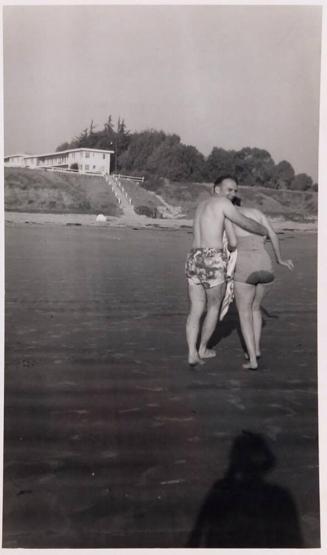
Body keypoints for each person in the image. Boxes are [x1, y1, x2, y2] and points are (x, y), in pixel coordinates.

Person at [185, 176, 268, 366]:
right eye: (229, 189)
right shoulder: (223, 204)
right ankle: (202, 349)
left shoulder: (201, 206)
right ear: (216, 189)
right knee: (214, 307)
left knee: (196, 308)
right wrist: (264, 230)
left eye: (235, 191)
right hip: (212, 258)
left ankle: (191, 352)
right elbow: (242, 225)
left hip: (193, 257)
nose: (233, 194)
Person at [228, 200, 294, 370]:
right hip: (265, 263)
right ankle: (256, 350)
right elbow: (273, 234)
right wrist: (280, 259)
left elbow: (230, 244)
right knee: (256, 308)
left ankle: (252, 361)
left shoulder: (229, 216)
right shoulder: (256, 213)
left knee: (244, 314)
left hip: (245, 266)